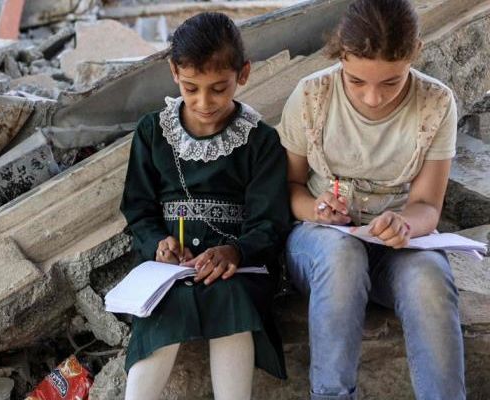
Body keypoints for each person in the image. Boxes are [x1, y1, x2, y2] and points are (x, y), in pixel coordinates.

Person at [276, 0, 465, 399]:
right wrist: (318, 210)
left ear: (414, 53)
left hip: (396, 246)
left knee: (430, 277)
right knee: (343, 255)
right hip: (320, 246)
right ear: (341, 56)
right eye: (357, 81)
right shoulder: (312, 95)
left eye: (391, 82)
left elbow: (428, 206)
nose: (373, 98)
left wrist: (405, 224)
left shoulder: (436, 103)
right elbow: (288, 187)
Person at [120, 12, 291, 400]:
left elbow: (270, 220)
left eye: (219, 88)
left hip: (239, 269)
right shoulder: (152, 132)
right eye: (191, 88)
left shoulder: (261, 141)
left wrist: (236, 251)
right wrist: (158, 245)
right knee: (167, 299)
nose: (204, 102)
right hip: (168, 268)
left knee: (229, 294)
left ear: (243, 74)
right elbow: (138, 209)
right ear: (174, 74)